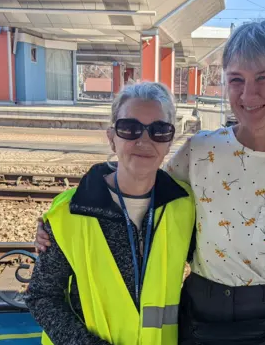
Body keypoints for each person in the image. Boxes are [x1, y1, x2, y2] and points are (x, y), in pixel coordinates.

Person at [36, 20, 265, 345]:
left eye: (263, 78)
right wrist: (56, 219)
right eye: (236, 79)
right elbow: (141, 187)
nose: (248, 93)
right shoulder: (202, 150)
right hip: (204, 319)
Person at [26, 82, 196, 345]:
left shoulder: (184, 207)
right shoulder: (70, 213)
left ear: (170, 140)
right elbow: (41, 296)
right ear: (112, 138)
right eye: (130, 129)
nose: (144, 140)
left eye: (159, 130)